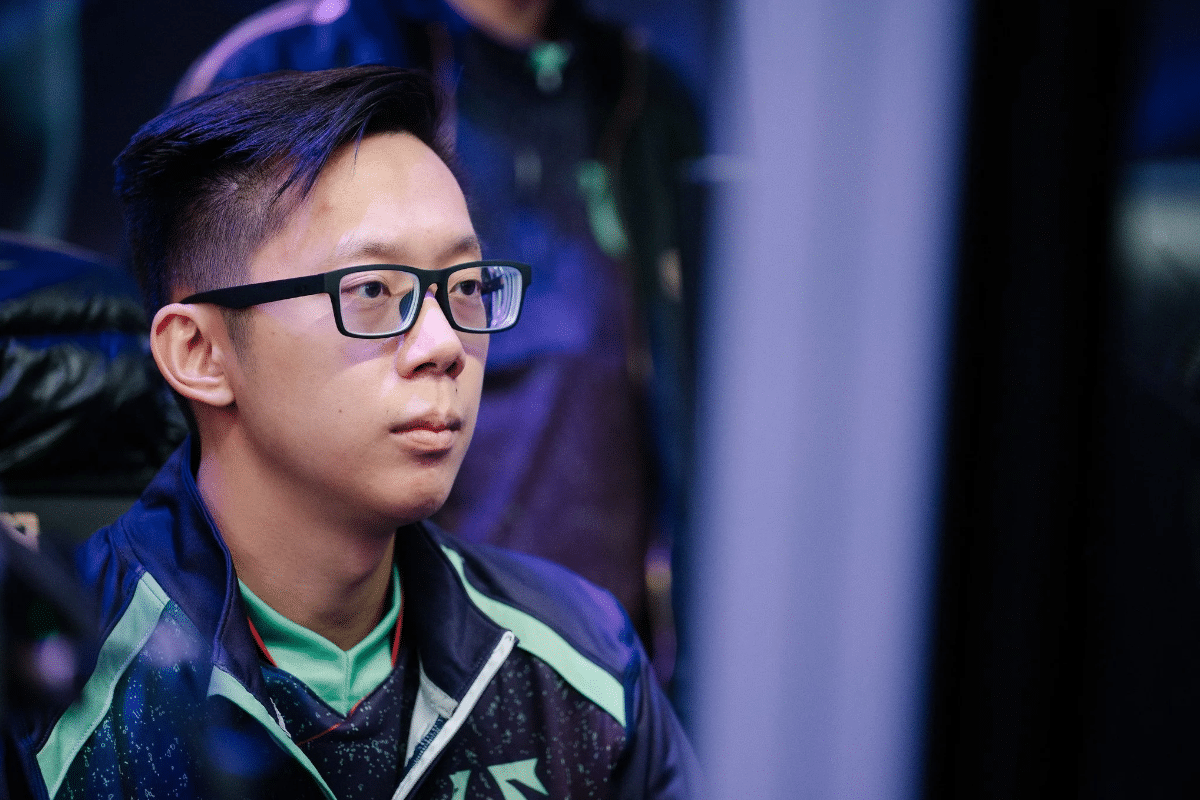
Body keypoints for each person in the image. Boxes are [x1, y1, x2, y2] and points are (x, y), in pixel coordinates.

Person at [10, 65, 699, 799]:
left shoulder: (582, 667)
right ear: (200, 353)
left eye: (467, 287)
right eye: (372, 290)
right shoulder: (50, 695)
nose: (444, 346)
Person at [174, 0, 703, 677]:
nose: (443, 345)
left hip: (598, 667)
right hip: (348, 671)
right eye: (375, 289)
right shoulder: (288, 64)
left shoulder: (646, 95)